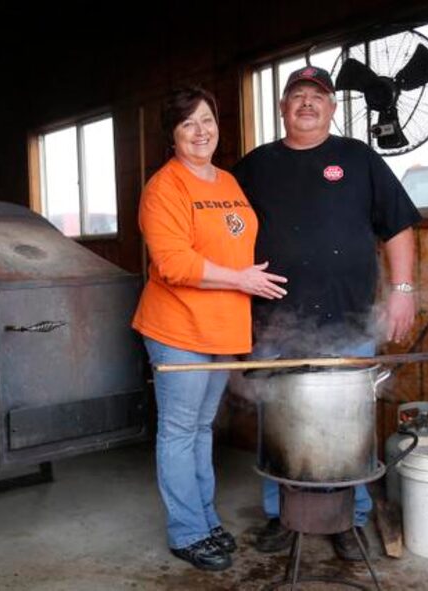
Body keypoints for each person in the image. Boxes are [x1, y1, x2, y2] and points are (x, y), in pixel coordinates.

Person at [232, 65, 421, 561]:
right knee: (278, 423)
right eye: (297, 96)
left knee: (350, 424)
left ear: (333, 108)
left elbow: (398, 227)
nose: (307, 104)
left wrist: (401, 290)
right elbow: (222, 236)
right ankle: (280, 515)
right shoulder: (254, 167)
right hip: (275, 321)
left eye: (318, 96)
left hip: (350, 319)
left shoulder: (359, 159)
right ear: (282, 108)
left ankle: (351, 518)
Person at [132, 86, 288, 571]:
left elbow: (235, 243)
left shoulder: (226, 182)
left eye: (207, 121)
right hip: (177, 324)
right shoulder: (165, 187)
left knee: (200, 428)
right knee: (180, 430)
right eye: (188, 125)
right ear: (173, 135)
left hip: (222, 326)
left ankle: (203, 518)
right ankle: (187, 532)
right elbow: (174, 263)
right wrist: (241, 279)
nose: (201, 132)